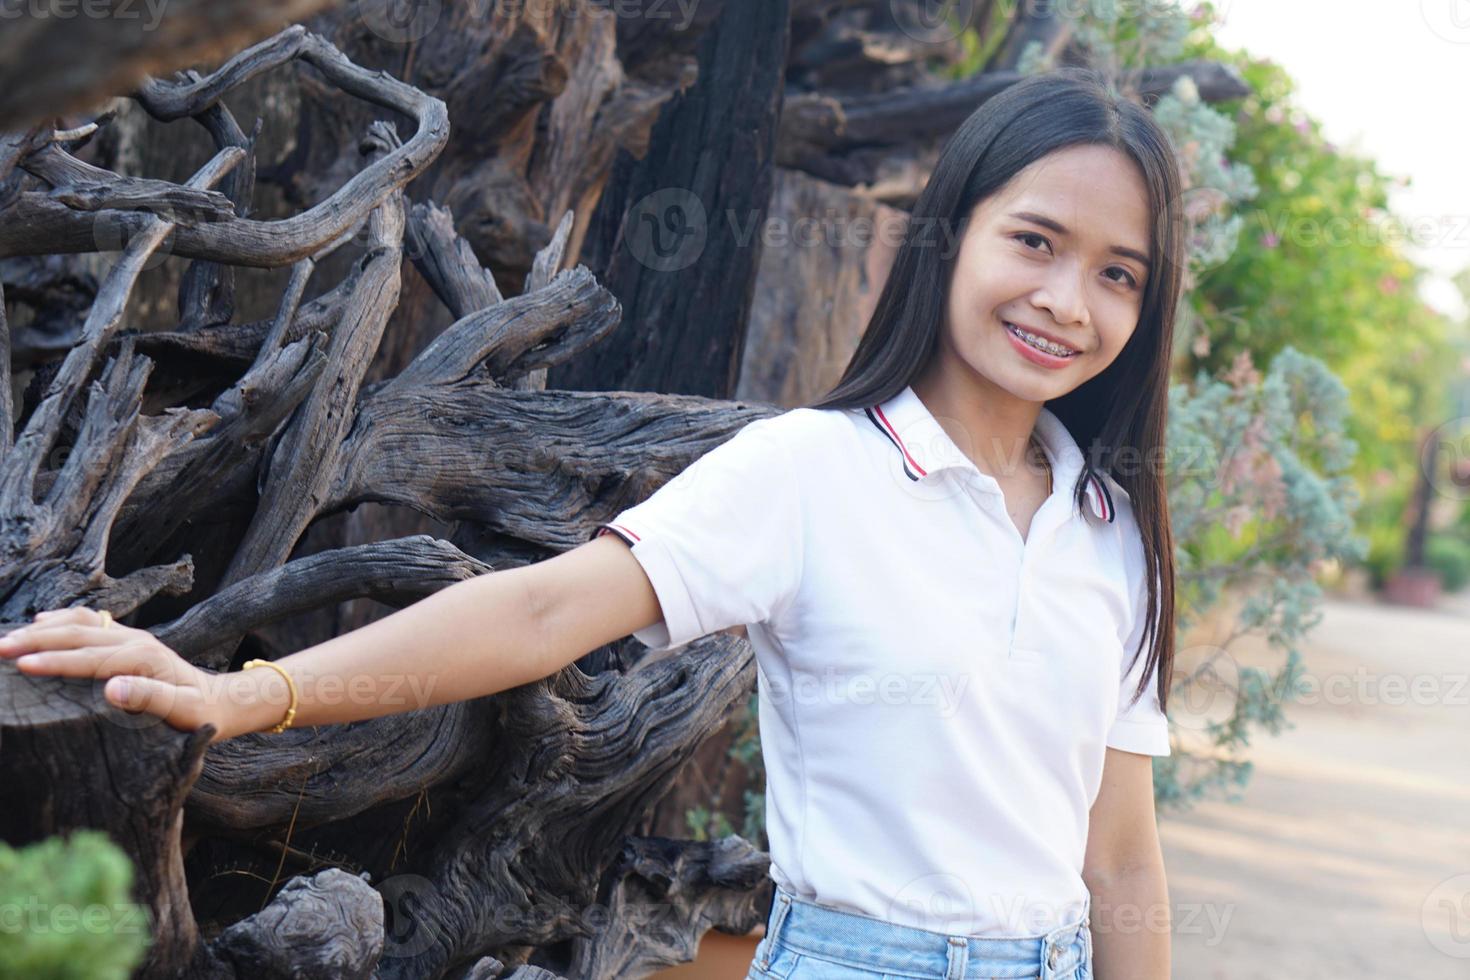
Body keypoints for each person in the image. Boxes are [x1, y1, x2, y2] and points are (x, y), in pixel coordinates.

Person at [1, 66, 1181, 980]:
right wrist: (240, 693)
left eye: (1119, 272)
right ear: (955, 233)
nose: (1066, 300)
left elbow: (1118, 850)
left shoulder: (1109, 522)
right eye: (1035, 240)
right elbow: (545, 606)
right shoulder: (814, 472)